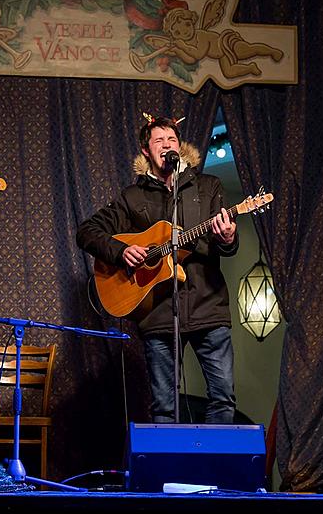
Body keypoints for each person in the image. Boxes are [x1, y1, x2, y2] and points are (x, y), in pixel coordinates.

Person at [77, 115, 239, 423]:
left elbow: (227, 245)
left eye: (172, 140)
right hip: (158, 314)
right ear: (146, 150)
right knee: (164, 406)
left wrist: (228, 237)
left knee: (223, 398)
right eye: (159, 141)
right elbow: (86, 232)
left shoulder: (208, 187)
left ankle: (216, 471)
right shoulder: (132, 197)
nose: (167, 146)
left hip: (209, 308)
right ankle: (169, 473)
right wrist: (122, 251)